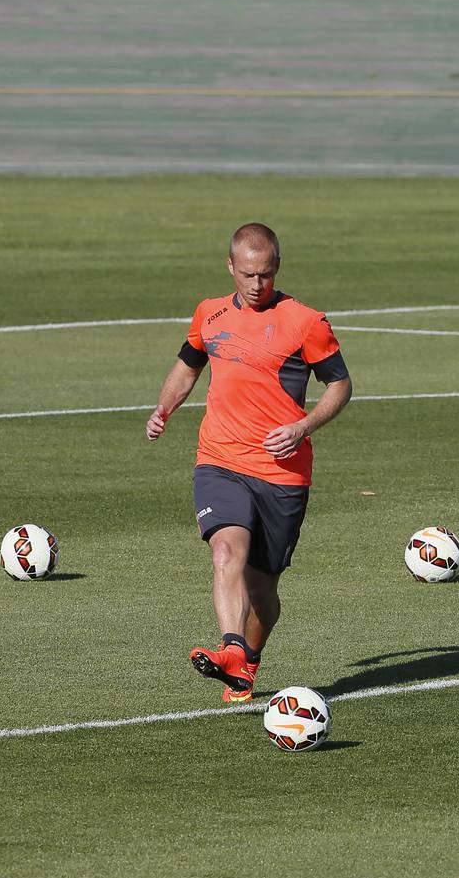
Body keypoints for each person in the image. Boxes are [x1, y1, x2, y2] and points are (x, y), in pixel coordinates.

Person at [146, 223, 351, 702]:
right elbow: (188, 365)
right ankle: (231, 648)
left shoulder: (306, 322)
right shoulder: (209, 313)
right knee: (225, 552)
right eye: (247, 274)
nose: (257, 284)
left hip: (282, 473)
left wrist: (302, 427)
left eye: (266, 274)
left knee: (262, 591)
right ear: (230, 267)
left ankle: (247, 663)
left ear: (277, 267)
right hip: (219, 459)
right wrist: (163, 409)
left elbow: (340, 385)